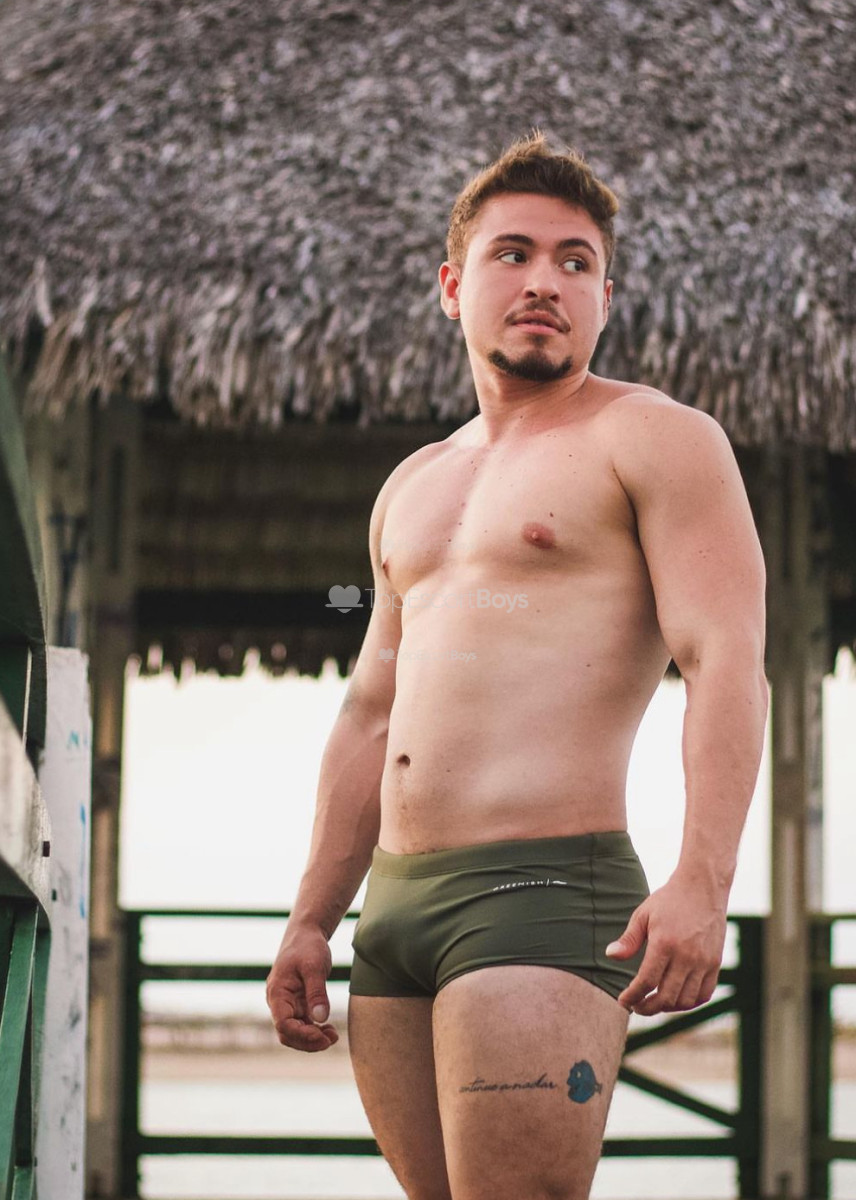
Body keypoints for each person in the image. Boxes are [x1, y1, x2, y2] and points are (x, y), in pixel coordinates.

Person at [266, 131, 768, 1200]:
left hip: (541, 893)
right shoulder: (414, 483)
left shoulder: (656, 438)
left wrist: (703, 882)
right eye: (514, 254)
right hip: (394, 913)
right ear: (453, 287)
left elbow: (724, 658)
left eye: (575, 262)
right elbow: (370, 712)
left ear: (604, 300)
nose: (545, 280)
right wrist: (313, 916)